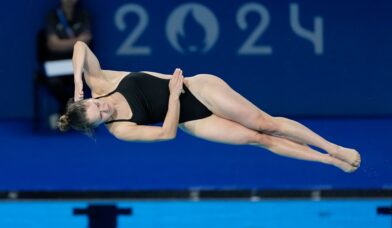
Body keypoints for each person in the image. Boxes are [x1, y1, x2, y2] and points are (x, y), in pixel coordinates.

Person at [58, 41, 361, 173]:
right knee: (260, 140)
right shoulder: (121, 130)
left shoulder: (99, 83)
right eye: (101, 116)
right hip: (191, 120)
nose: (105, 108)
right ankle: (329, 163)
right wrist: (173, 97)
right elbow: (165, 134)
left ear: (89, 98)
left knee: (264, 123)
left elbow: (80, 48)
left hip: (200, 88)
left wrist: (76, 83)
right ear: (97, 127)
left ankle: (333, 148)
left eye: (98, 105)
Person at [44, 0, 92, 128]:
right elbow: (53, 45)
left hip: (79, 64)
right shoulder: (52, 15)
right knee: (54, 84)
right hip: (56, 64)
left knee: (79, 83)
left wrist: (63, 43)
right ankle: (69, 113)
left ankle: (64, 114)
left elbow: (87, 40)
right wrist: (78, 44)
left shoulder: (82, 14)